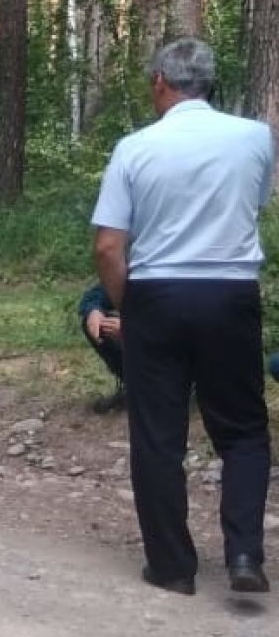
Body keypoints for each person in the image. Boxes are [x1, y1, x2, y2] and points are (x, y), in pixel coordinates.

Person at [91, 38, 272, 597]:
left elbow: (107, 247)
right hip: (230, 293)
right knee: (242, 430)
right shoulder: (256, 139)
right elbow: (253, 205)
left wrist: (130, 309)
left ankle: (172, 566)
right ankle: (243, 552)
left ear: (160, 82)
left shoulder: (135, 148)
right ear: (209, 84)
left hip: (158, 294)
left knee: (157, 434)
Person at [77, 282, 125, 412]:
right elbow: (95, 295)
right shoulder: (133, 271)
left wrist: (132, 329)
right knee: (98, 324)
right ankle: (134, 387)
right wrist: (93, 310)